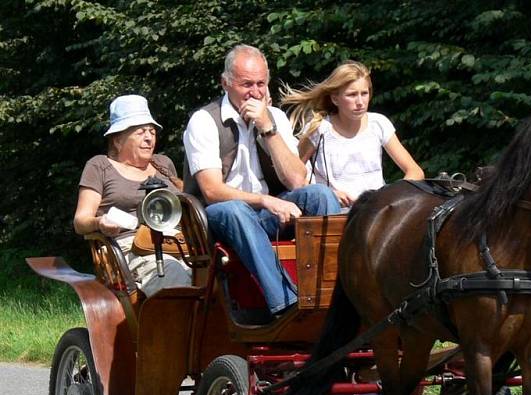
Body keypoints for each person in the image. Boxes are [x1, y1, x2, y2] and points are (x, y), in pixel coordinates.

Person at [183, 44, 341, 318]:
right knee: (235, 210)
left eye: (260, 84)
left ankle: (334, 295)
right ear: (225, 84)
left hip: (267, 215)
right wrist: (266, 201)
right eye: (246, 85)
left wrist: (268, 130)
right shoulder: (204, 121)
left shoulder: (274, 117)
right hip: (219, 219)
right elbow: (211, 190)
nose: (254, 92)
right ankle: (287, 305)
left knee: (320, 195)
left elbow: (296, 180)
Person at [74, 94, 192, 297]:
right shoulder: (100, 166)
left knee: (216, 273)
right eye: (140, 132)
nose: (149, 138)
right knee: (173, 273)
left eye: (152, 132)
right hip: (132, 247)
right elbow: (80, 221)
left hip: (182, 244)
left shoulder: (163, 164)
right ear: (118, 140)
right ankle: (174, 327)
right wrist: (101, 222)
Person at [282, 60, 424, 207]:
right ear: (335, 98)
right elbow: (295, 177)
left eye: (364, 93)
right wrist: (328, 195)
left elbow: (415, 171)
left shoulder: (379, 124)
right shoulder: (319, 128)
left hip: (376, 212)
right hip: (335, 213)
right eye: (352, 95)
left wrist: (392, 194)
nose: (360, 102)